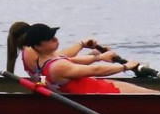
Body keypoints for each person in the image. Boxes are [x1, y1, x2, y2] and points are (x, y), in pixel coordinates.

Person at [20, 23, 149, 94]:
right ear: (38, 46)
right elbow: (96, 70)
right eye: (50, 39)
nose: (56, 39)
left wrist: (98, 56)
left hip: (98, 86)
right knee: (154, 94)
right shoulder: (58, 67)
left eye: (54, 36)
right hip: (99, 93)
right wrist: (126, 66)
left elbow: (73, 60)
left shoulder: (42, 61)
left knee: (146, 91)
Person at [7, 20, 116, 76]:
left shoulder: (30, 51)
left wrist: (92, 55)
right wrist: (83, 45)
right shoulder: (30, 51)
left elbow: (63, 60)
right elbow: (64, 58)